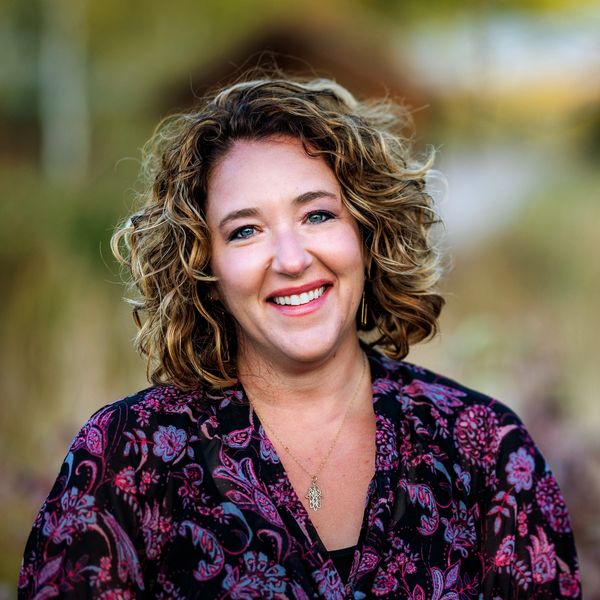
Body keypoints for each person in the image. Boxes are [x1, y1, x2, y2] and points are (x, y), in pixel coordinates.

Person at [19, 75, 581, 599]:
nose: (291, 260)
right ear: (203, 267)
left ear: (366, 229)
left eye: (316, 216)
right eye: (245, 231)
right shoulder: (129, 455)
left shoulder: (485, 448)